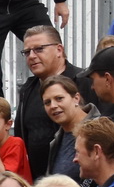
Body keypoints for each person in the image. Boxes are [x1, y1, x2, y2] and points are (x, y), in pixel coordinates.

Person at [17, 27, 98, 178]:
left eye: (39, 49)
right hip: (38, 184)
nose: (32, 56)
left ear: (59, 49)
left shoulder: (85, 82)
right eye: (27, 52)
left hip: (79, 184)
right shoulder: (27, 89)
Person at [40, 74, 96, 183]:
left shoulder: (100, 131)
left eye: (59, 98)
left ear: (76, 98)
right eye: (47, 102)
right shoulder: (57, 140)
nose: (53, 106)